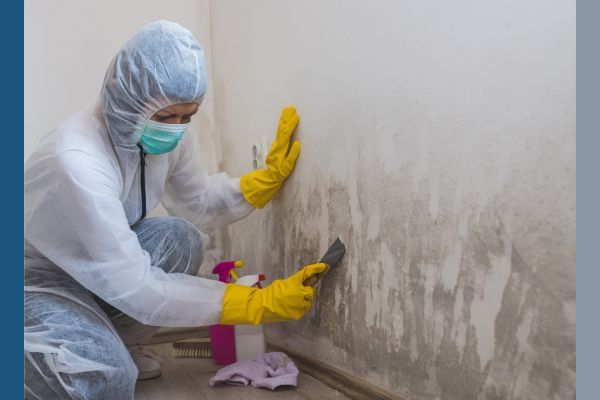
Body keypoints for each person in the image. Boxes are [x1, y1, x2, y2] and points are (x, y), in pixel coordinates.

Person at [24, 20, 326, 399]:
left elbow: (197, 202)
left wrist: (261, 182)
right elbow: (135, 286)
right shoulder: (76, 159)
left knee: (181, 238)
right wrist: (253, 303)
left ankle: (110, 341)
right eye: (166, 118)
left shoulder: (169, 131)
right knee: (103, 377)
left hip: (97, 272)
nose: (177, 128)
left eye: (189, 115)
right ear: (124, 97)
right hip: (37, 281)